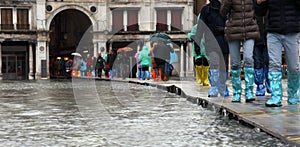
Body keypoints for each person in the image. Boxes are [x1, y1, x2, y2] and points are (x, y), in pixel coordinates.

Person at [255, 0, 300, 107]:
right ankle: (276, 96)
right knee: (274, 64)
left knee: (294, 67)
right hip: (273, 32)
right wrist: (259, 3)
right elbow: (260, 12)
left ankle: (293, 95)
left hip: (292, 31)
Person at [220, 0, 260, 102]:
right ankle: (237, 92)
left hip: (250, 29)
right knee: (234, 63)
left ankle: (249, 91)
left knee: (248, 59)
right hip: (233, 31)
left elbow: (259, 10)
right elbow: (222, 12)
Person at [193, 0, 230, 97]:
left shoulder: (226, 7)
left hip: (224, 41)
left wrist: (224, 29)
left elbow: (232, 22)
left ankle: (222, 86)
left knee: (224, 65)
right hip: (211, 42)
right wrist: (197, 43)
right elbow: (200, 26)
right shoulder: (206, 10)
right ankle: (214, 86)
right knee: (214, 63)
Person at [253, 14, 271, 96]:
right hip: (256, 39)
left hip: (269, 39)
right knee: (257, 62)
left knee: (269, 62)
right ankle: (260, 85)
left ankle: (269, 82)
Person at [188, 19, 209, 86]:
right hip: (198, 47)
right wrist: (192, 36)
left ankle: (205, 79)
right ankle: (199, 78)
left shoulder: (208, 27)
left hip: (206, 47)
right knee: (198, 63)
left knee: (206, 63)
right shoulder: (195, 27)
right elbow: (190, 34)